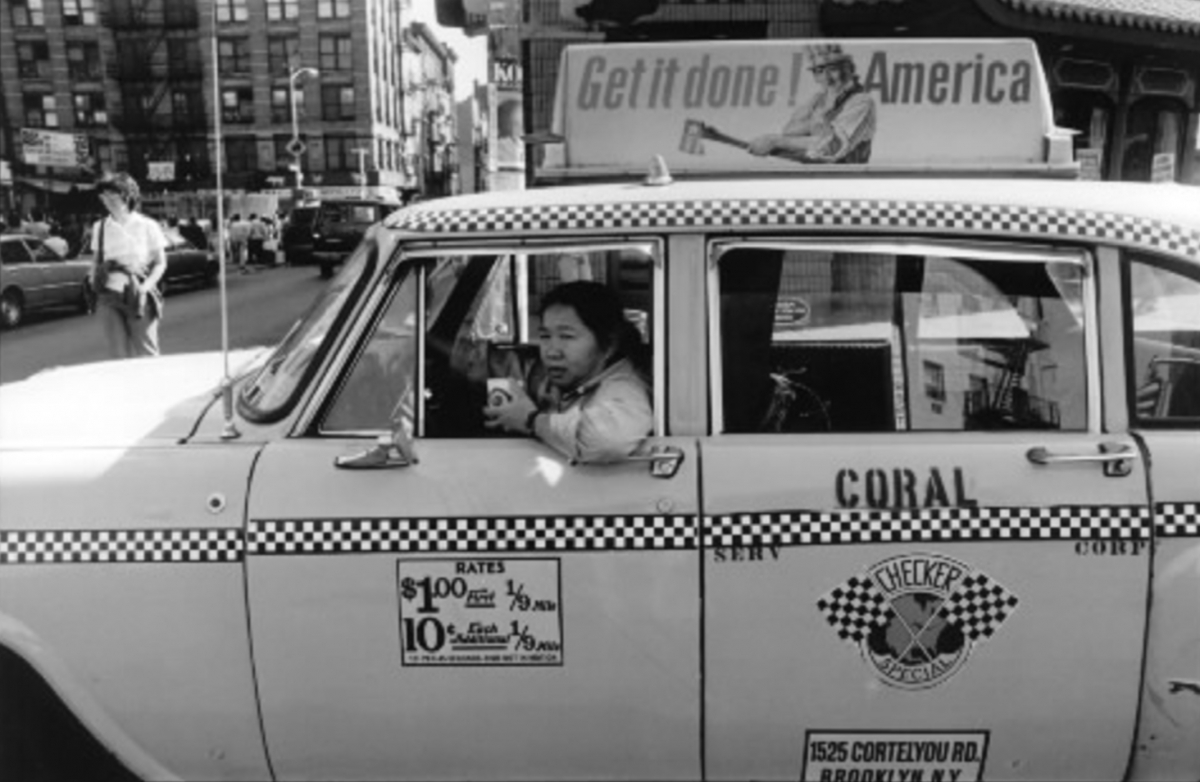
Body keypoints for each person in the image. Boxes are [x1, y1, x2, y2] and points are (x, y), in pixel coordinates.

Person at [483, 281, 653, 463]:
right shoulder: (574, 378)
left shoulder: (624, 387)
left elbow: (608, 441)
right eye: (545, 336)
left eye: (567, 336)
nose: (551, 351)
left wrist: (531, 420)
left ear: (608, 345)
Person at [747, 44, 876, 164]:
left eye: (833, 69)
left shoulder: (861, 102)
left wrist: (774, 141)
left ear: (848, 69)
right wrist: (817, 124)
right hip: (815, 176)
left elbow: (832, 146)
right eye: (819, 71)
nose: (826, 77)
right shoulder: (817, 100)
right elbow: (789, 131)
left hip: (847, 178)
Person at [88, 172, 167, 359]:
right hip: (108, 294)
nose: (107, 201)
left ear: (127, 196)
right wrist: (93, 278)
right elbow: (96, 258)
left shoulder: (148, 225)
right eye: (104, 196)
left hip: (138, 293)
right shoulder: (99, 227)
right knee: (117, 356)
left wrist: (145, 288)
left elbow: (160, 263)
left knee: (146, 353)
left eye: (112, 196)